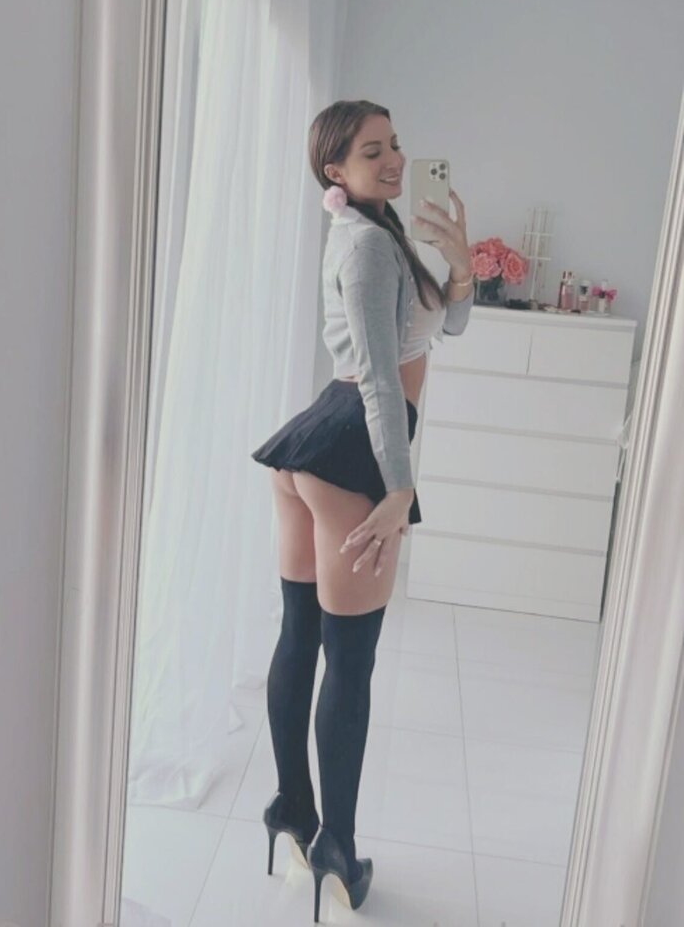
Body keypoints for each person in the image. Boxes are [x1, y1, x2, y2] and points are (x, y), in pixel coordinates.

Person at [251, 99, 474, 921]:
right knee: (349, 663)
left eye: (395, 144)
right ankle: (336, 850)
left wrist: (459, 266)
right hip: (354, 449)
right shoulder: (371, 246)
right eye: (371, 150)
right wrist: (398, 488)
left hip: (314, 441)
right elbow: (383, 380)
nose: (392, 159)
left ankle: (290, 811)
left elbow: (443, 328)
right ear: (334, 169)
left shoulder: (372, 232)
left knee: (300, 633)